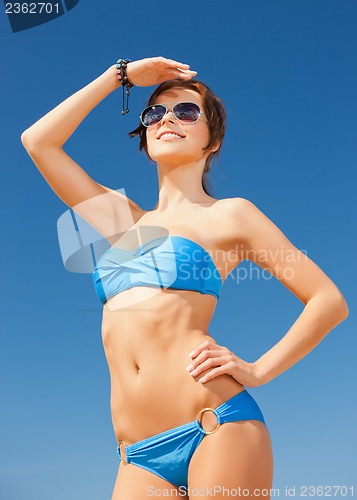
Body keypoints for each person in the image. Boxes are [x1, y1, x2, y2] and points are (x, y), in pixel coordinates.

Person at [21, 56, 349, 500]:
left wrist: (257, 369)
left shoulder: (231, 215)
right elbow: (38, 142)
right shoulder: (121, 221)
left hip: (215, 424)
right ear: (145, 135)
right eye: (154, 113)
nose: (167, 119)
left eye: (187, 111)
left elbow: (328, 300)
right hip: (136, 454)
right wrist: (119, 77)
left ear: (212, 141)